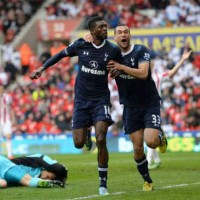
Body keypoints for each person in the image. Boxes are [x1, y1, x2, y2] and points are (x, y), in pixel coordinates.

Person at [30, 16, 125, 195]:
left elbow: (122, 66)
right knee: (78, 143)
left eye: (106, 26)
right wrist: (42, 68)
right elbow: (60, 55)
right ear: (92, 31)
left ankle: (103, 184)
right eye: (102, 27)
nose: (106, 29)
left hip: (100, 100)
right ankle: (87, 132)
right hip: (81, 101)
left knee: (102, 138)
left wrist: (118, 69)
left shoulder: (112, 49)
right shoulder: (81, 44)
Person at [105, 24, 168, 191]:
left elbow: (144, 73)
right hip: (130, 106)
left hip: (149, 102)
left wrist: (121, 67)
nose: (123, 35)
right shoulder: (111, 54)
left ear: (130, 35)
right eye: (119, 33)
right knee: (138, 148)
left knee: (151, 142)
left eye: (126, 31)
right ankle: (147, 179)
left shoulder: (140, 50)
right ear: (114, 38)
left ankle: (160, 137)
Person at [147, 50, 192, 170]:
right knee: (148, 137)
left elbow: (172, 72)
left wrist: (182, 59)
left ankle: (147, 162)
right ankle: (156, 159)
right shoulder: (136, 77)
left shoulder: (157, 76)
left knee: (151, 134)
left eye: (151, 62)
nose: (149, 64)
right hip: (140, 109)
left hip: (153, 108)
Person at [0, 153, 67, 188]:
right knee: (28, 180)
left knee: (28, 180)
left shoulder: (35, 164)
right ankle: (43, 183)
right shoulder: (36, 160)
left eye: (50, 179)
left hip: (5, 166)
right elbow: (56, 167)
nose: (48, 178)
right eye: (50, 177)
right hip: (6, 166)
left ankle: (44, 183)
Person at [0, 85, 15, 159]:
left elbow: (11, 108)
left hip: (6, 120)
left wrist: (13, 119)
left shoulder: (8, 97)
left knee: (8, 136)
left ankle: (10, 155)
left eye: (1, 89)